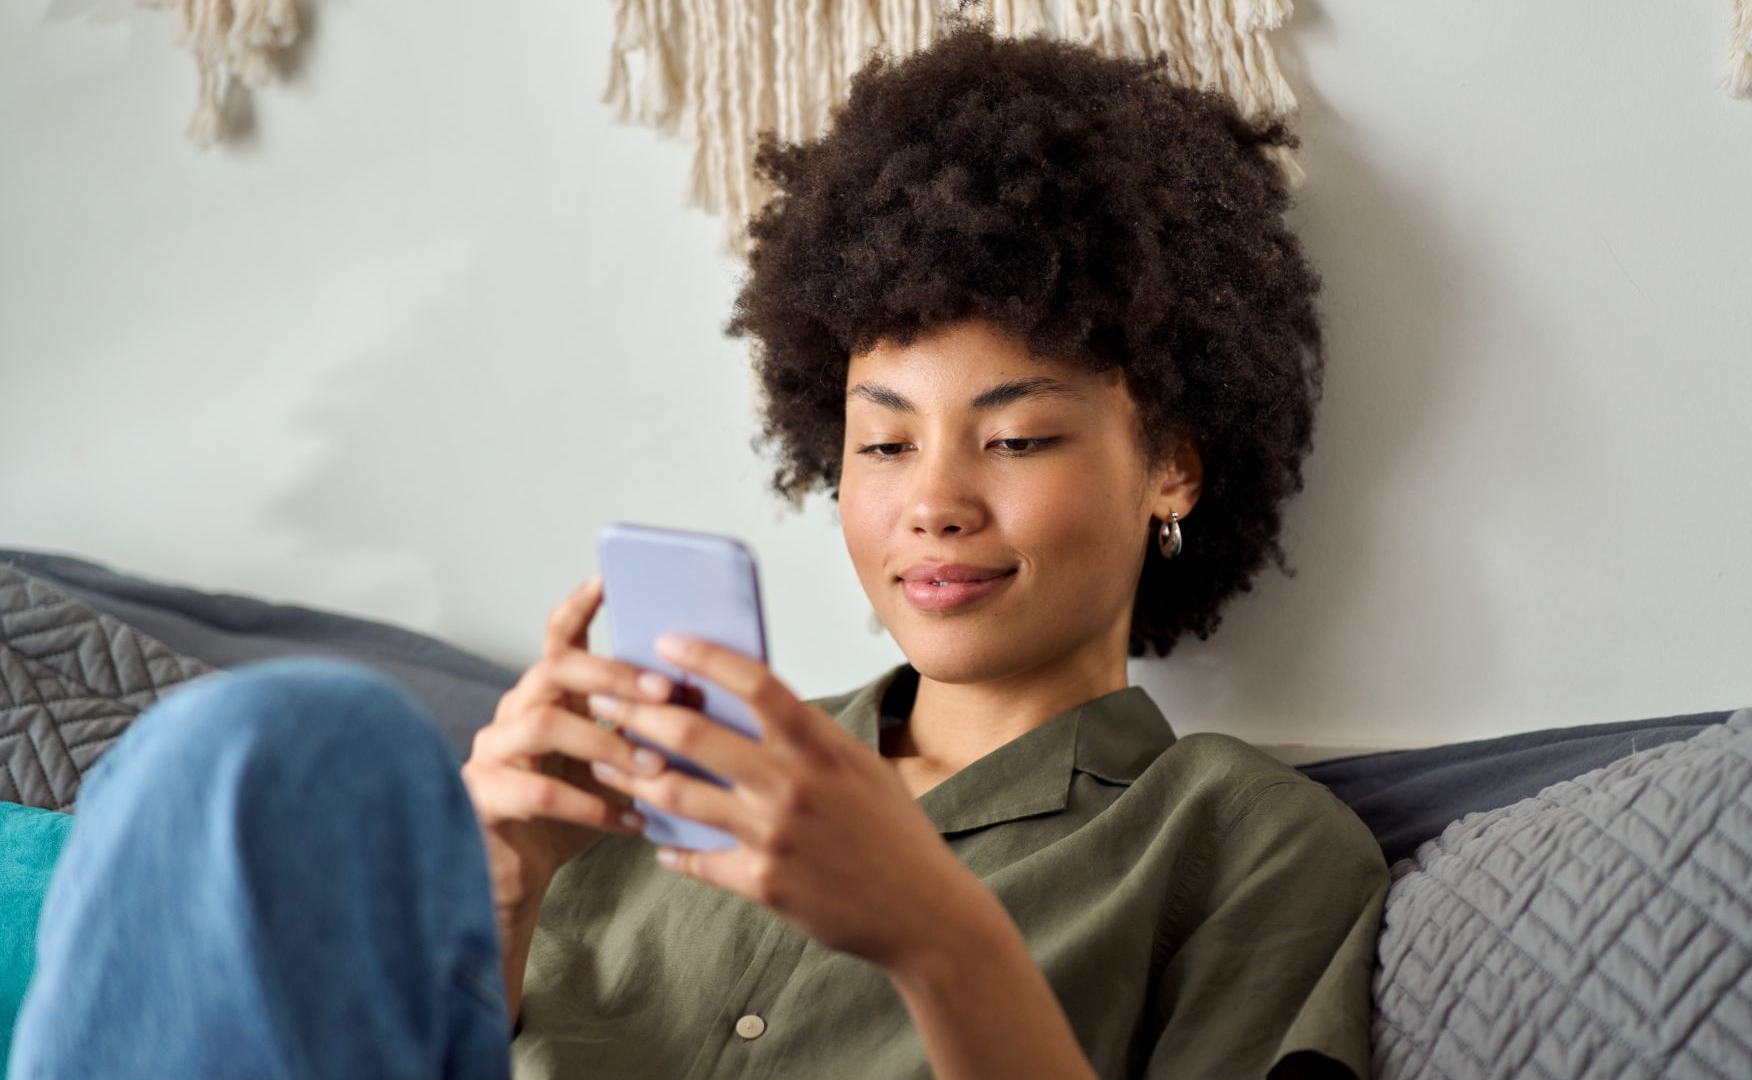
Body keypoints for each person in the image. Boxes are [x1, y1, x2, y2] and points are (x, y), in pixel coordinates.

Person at [9, 17, 1389, 1080]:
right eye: (885, 441)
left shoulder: (1246, 843)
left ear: (1173, 467)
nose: (936, 502)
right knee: (263, 746)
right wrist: (501, 882)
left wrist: (938, 937)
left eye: (1016, 440)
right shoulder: (676, 762)